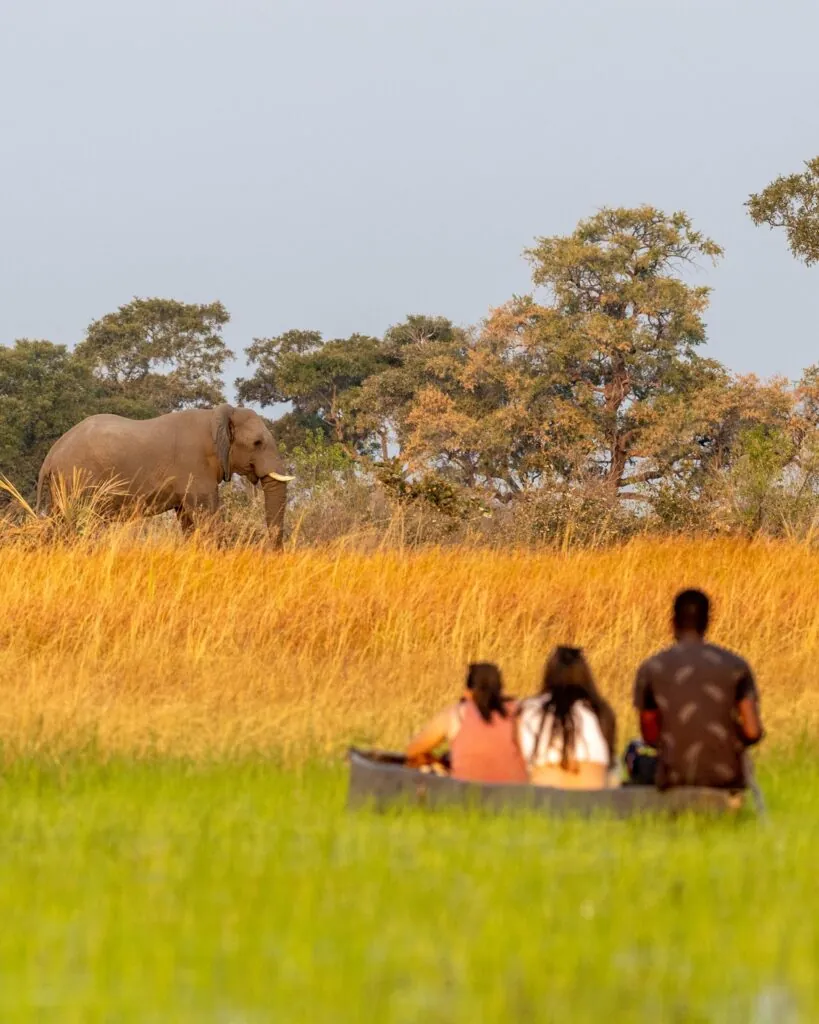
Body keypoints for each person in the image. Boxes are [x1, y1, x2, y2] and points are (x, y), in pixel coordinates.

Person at [629, 589, 764, 790]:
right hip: (727, 776)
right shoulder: (735, 666)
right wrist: (730, 740)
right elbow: (753, 731)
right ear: (707, 621)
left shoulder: (652, 668)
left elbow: (649, 735)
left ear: (673, 621)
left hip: (673, 776)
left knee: (632, 753)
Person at [406, 663, 528, 784]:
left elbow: (412, 751)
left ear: (468, 692)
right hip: (514, 793)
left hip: (466, 792)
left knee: (416, 762)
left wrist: (436, 762)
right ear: (500, 689)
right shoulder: (519, 713)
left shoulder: (456, 714)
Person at [517, 647, 616, 790]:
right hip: (594, 800)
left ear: (548, 674)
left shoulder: (529, 708)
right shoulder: (600, 710)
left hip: (544, 800)